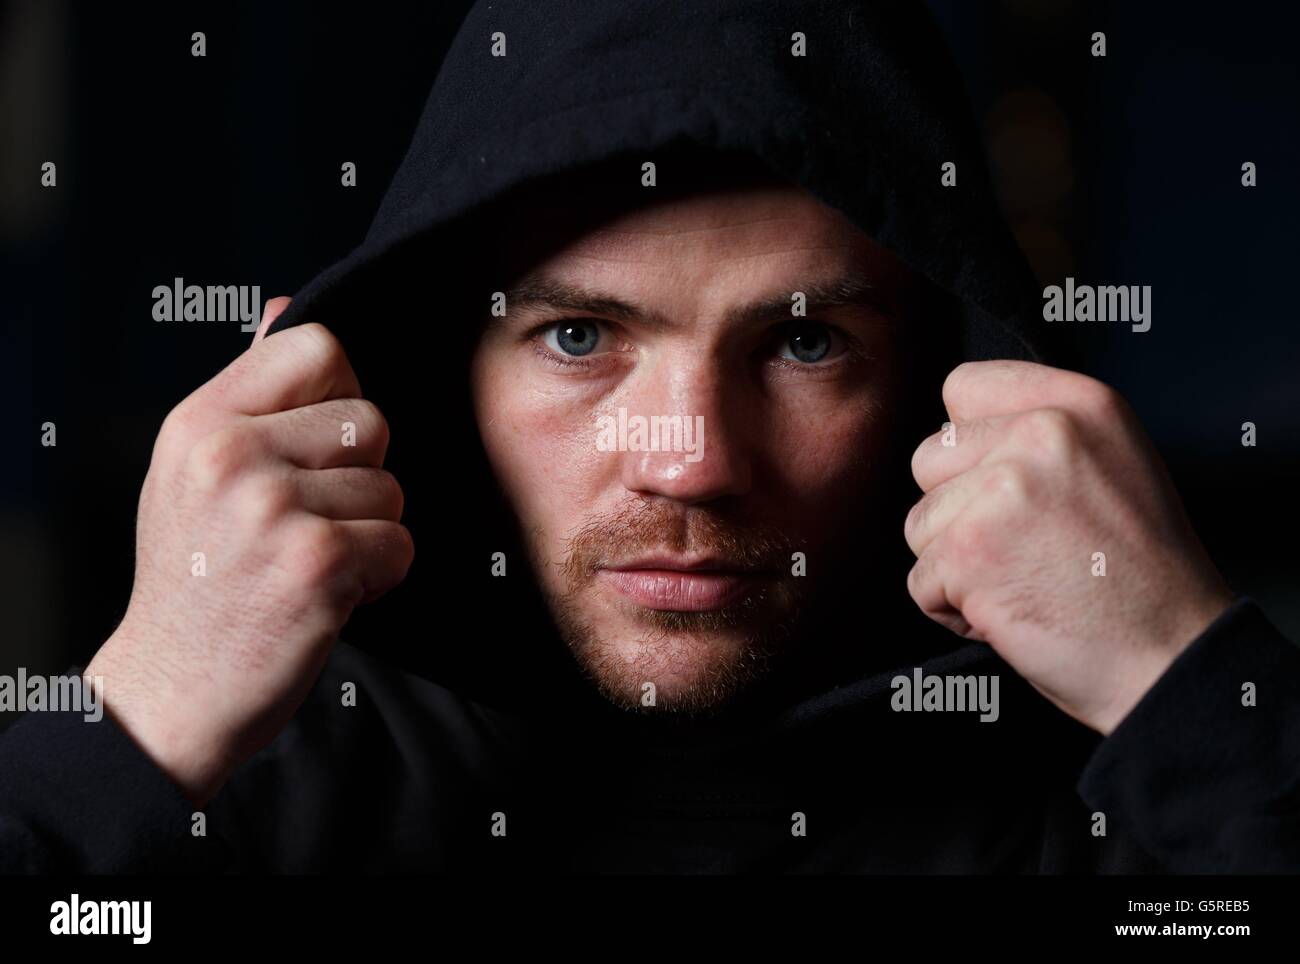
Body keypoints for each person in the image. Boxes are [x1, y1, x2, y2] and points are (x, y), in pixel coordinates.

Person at [3, 0, 1297, 873]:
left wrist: (1190, 689)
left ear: (932, 387)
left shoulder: (1111, 792)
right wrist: (138, 719)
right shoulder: (256, 782)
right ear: (431, 377)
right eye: (580, 339)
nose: (691, 461)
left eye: (802, 344)